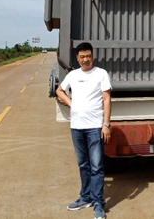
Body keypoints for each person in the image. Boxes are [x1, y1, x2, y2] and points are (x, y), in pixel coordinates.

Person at [56, 42, 112, 219]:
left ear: (92, 56)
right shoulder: (73, 75)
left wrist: (106, 125)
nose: (85, 59)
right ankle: (85, 197)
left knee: (96, 166)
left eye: (88, 56)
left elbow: (107, 99)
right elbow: (59, 90)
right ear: (77, 58)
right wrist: (71, 103)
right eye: (82, 57)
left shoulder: (101, 74)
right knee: (83, 165)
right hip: (77, 127)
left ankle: (98, 203)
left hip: (95, 126)